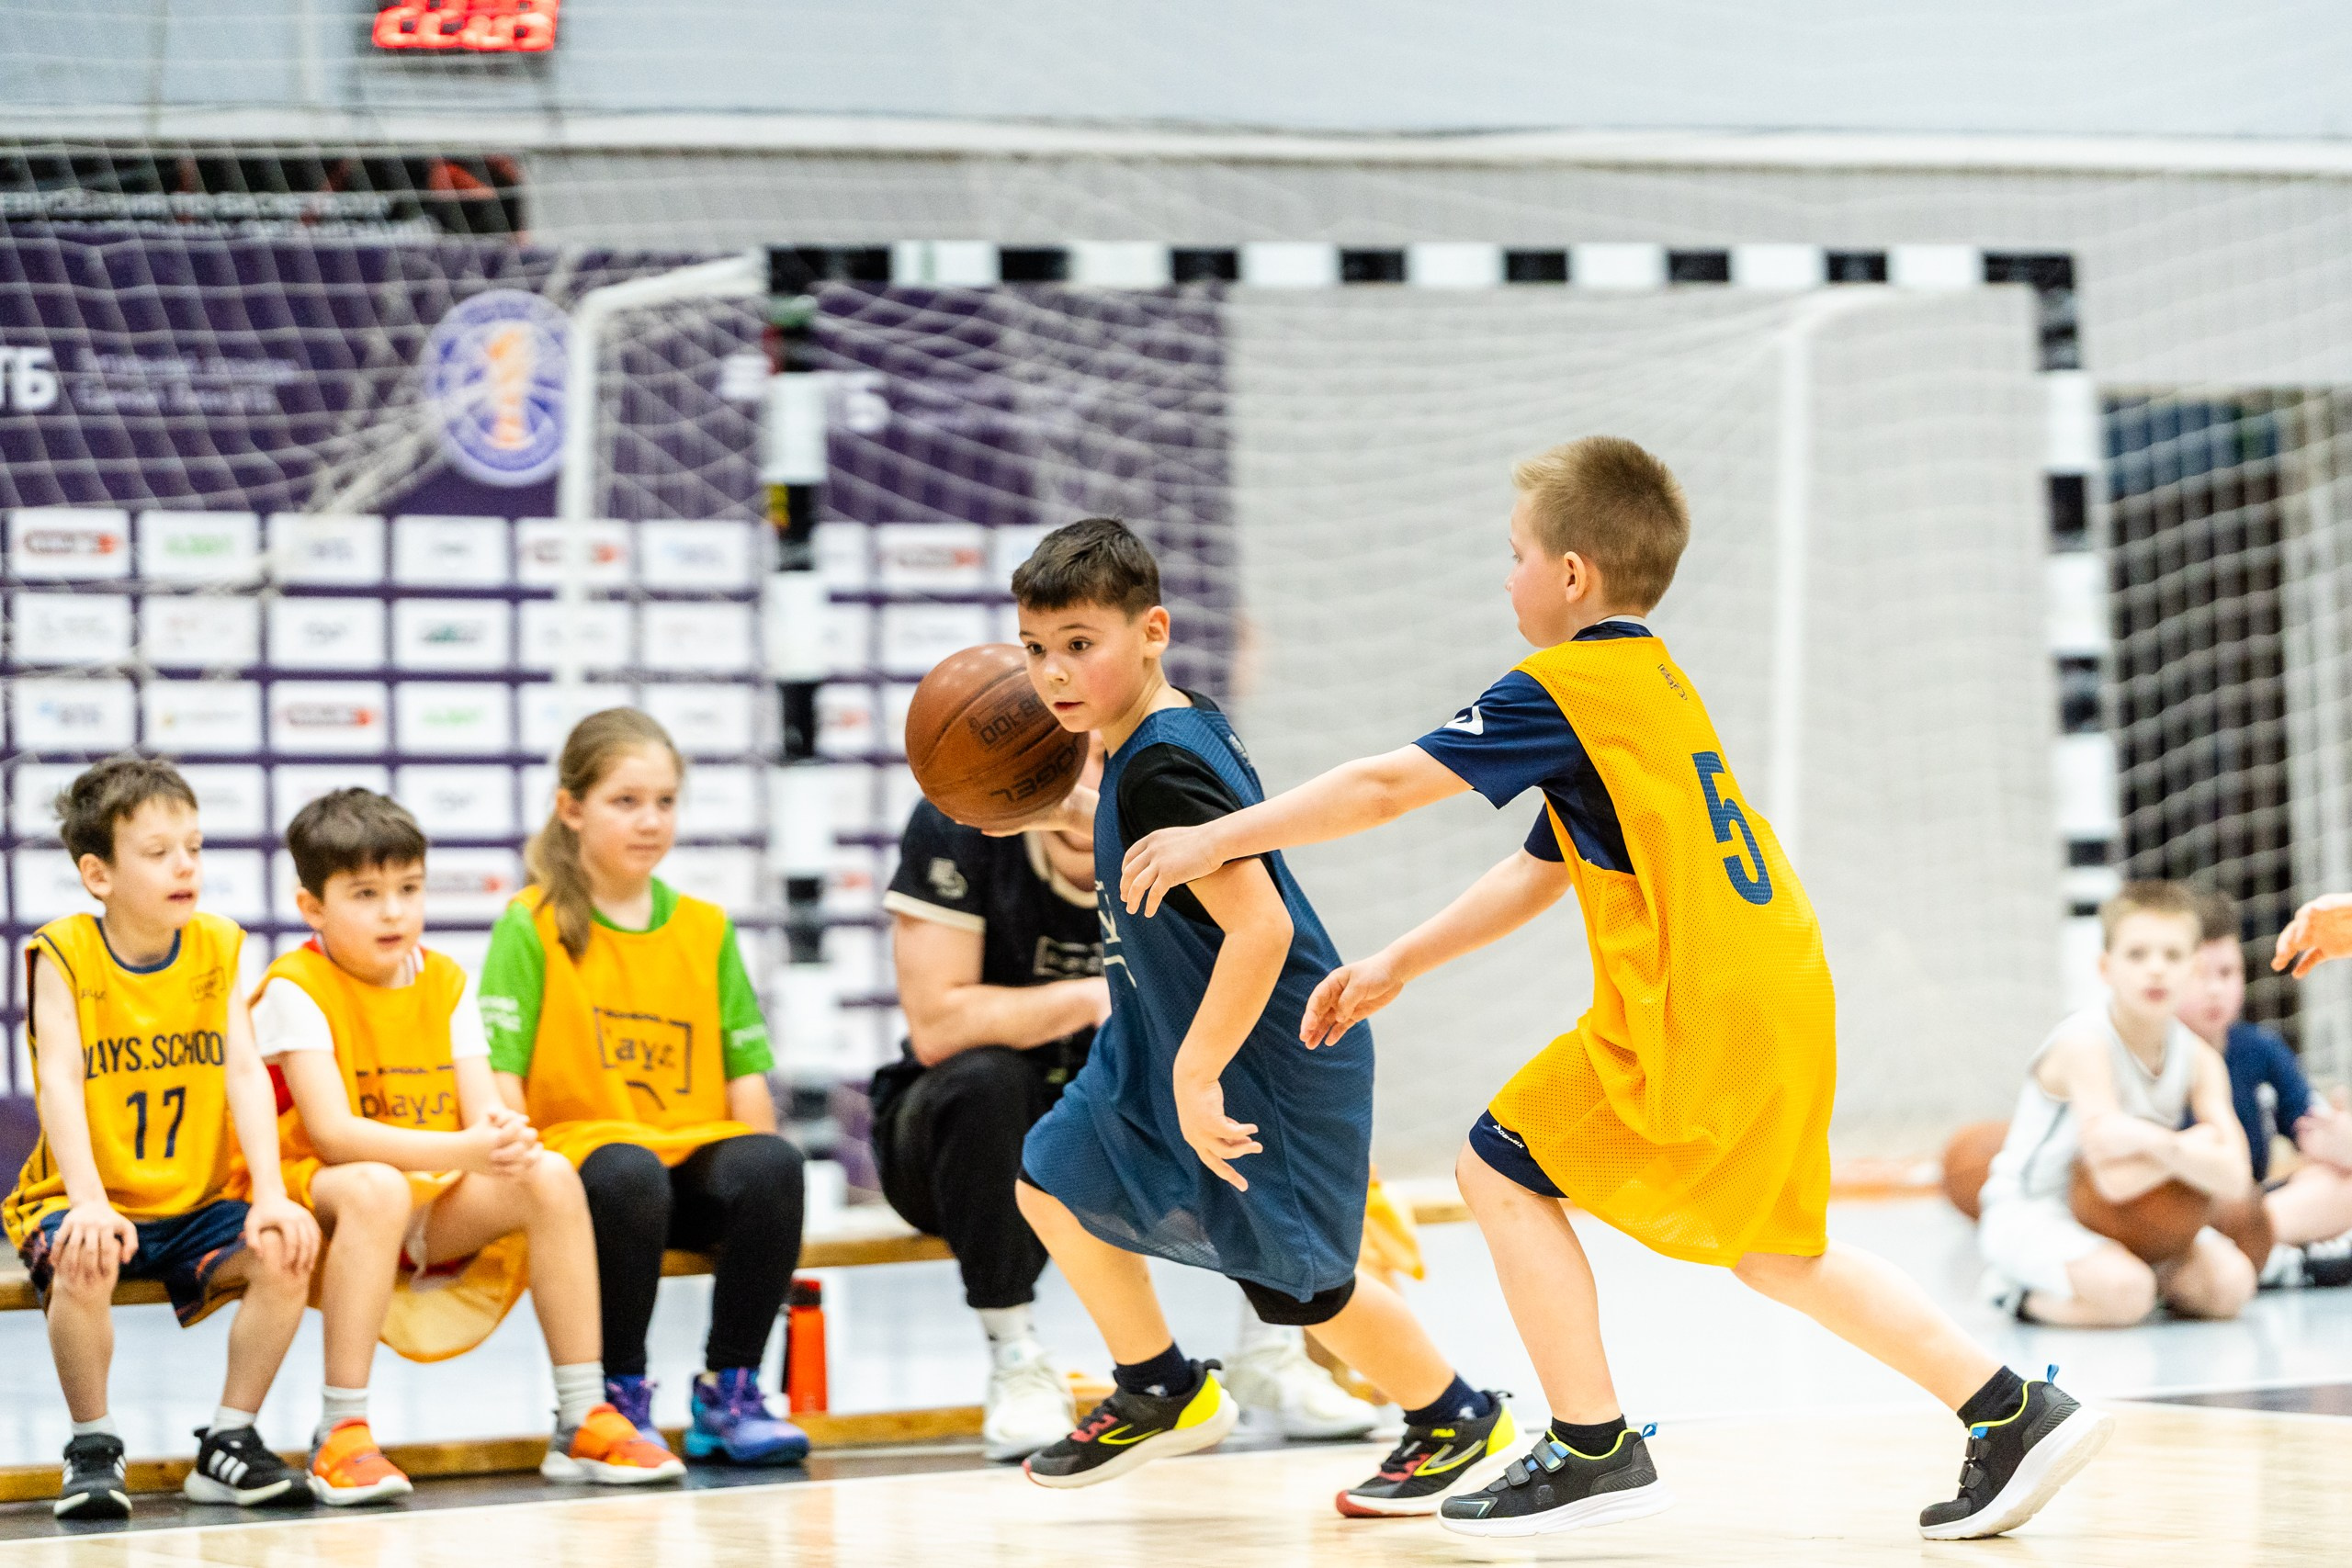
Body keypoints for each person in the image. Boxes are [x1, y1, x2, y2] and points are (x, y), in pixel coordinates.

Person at [1116, 436, 2111, 1541]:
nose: (1507, 579)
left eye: (1516, 556)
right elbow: (1542, 867)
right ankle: (2012, 1412)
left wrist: (1217, 836)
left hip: (1702, 999)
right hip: (1772, 983)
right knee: (1779, 1251)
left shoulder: (1566, 683)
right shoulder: (1653, 686)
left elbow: (1384, 786)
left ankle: (1592, 1447)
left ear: (1573, 574)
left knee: (1495, 1165)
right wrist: (1398, 961)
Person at [1001, 518, 1510, 1519]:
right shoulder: (1155, 735)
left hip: (1263, 1052)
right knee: (1050, 1179)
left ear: (1152, 629)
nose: (1053, 673)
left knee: (1298, 1287)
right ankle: (1158, 1386)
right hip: (1162, 1036)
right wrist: (1062, 815)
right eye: (1034, 649)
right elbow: (1153, 842)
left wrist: (1195, 1080)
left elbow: (1262, 929)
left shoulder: (1158, 766)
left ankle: (1456, 1417)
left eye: (1078, 644)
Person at [876, 749, 1384, 1461]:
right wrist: (1092, 998)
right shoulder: (962, 818)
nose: (1077, 780)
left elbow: (1249, 969)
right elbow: (937, 1024)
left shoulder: (1164, 814)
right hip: (959, 1139)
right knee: (988, 1082)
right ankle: (1016, 1358)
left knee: (1244, 1061)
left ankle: (1269, 1351)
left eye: (1095, 761)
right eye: (1053, 761)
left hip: (1120, 1092)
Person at [260, 788, 684, 1505]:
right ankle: (342, 1429)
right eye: (365, 893)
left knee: (549, 1173)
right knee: (375, 1184)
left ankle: (582, 1413)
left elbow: (484, 1113)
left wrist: (505, 1138)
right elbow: (332, 1135)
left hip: (428, 1195)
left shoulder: (447, 979)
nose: (393, 911)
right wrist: (467, 1149)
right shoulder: (292, 986)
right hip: (326, 1201)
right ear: (313, 909)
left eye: (408, 888)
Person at [481, 707, 808, 1466]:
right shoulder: (529, 925)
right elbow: (500, 1077)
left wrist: (763, 1175)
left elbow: (744, 1078)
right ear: (572, 808)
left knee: (773, 1161)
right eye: (625, 801)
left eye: (664, 801)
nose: (649, 820)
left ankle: (730, 1392)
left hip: (683, 1163)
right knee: (628, 1170)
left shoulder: (704, 927)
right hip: (589, 1170)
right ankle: (615, 1398)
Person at [3, 758, 320, 1520]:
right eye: (158, 852)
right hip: (82, 1196)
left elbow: (245, 1071)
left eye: (195, 847)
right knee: (85, 1254)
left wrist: (271, 1194)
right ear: (98, 873)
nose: (185, 865)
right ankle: (92, 1443)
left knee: (287, 1246)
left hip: (194, 1198)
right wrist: (86, 1201)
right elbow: (63, 1082)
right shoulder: (65, 953)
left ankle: (230, 1439)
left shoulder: (217, 944)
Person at [1974, 883, 2257, 1325]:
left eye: (2172, 955)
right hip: (2034, 1211)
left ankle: (2139, 1282)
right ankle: (2011, 1294)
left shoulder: (2198, 1058)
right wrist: (2193, 1147)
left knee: (2231, 1287)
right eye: (2138, 954)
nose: (2156, 970)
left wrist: (2162, 1147)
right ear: (2106, 968)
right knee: (2126, 1296)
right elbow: (2112, 1181)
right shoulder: (2084, 1044)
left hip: (2127, 1217)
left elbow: (2236, 1177)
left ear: (2194, 968)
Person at [2183, 888, 2352, 1284]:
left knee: (2340, 1184)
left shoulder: (2261, 1050)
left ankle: (2245, 1247)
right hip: (2177, 1212)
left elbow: (2314, 1130)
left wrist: (2340, 1140)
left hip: (2256, 1208)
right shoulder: (2152, 1055)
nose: (2214, 990)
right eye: (2197, 975)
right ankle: (2254, 1254)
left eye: (2225, 973)